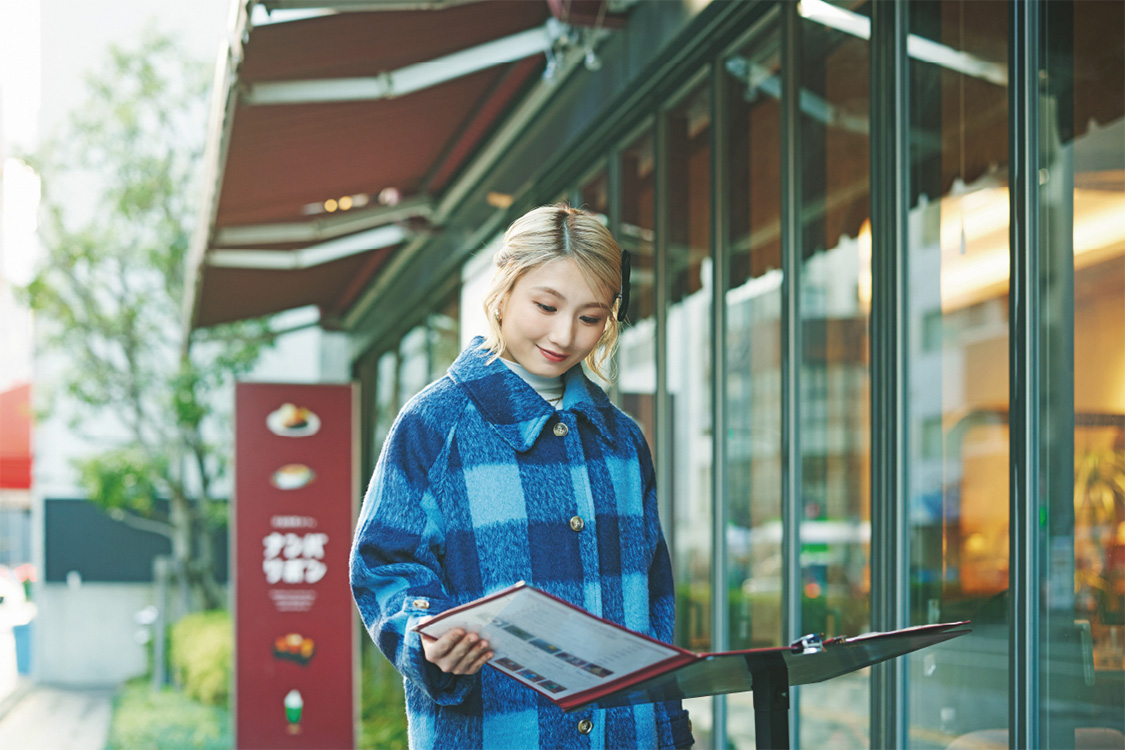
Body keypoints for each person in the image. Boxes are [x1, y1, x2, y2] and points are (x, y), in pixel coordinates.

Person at [349, 204, 693, 749]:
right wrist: (427, 638)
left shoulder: (623, 441)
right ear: (505, 286)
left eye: (590, 317)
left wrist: (671, 731)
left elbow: (654, 605)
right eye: (546, 305)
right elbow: (385, 564)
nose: (564, 334)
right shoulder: (435, 424)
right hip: (495, 732)